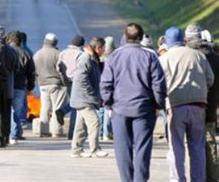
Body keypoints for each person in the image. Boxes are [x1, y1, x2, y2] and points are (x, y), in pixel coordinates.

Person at [101, 23, 166, 182]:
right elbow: (158, 84)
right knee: (143, 148)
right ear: (141, 37)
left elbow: (105, 84)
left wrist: (108, 104)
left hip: (120, 108)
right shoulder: (150, 56)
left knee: (122, 149)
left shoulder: (114, 56)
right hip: (144, 109)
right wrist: (158, 104)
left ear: (125, 36)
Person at [160, 26, 214, 182]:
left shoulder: (165, 58)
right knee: (197, 146)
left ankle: (178, 179)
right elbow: (210, 80)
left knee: (176, 147)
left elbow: (159, 83)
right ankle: (198, 179)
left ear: (167, 41)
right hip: (198, 105)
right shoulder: (198, 56)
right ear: (183, 39)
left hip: (176, 105)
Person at [185, 24, 219, 182]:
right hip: (210, 108)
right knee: (210, 144)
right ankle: (212, 178)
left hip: (191, 105)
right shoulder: (214, 57)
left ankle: (197, 178)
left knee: (193, 146)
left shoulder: (187, 56)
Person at [70, 37, 108, 158]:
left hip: (84, 98)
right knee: (94, 122)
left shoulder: (93, 58)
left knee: (81, 126)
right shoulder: (86, 58)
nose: (105, 50)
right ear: (98, 48)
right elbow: (81, 78)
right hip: (84, 98)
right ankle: (95, 149)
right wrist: (91, 93)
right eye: (104, 48)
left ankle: (76, 150)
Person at [34, 33, 69, 137]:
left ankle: (44, 130)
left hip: (43, 85)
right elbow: (62, 71)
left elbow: (34, 71)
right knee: (57, 108)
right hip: (56, 84)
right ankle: (57, 131)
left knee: (44, 108)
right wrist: (65, 83)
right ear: (55, 42)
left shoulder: (37, 54)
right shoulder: (58, 54)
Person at [7, 31, 35, 144]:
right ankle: (15, 134)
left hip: (7, 85)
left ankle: (12, 133)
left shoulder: (6, 52)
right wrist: (30, 86)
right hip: (19, 85)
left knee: (8, 110)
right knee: (17, 111)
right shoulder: (25, 53)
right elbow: (31, 72)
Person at [58, 34, 85, 139]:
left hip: (66, 81)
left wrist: (63, 78)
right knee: (76, 106)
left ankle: (63, 110)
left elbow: (58, 67)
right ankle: (72, 132)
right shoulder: (80, 54)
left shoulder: (63, 53)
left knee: (74, 103)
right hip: (77, 81)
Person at [99, 36, 115, 141]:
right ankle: (106, 133)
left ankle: (99, 133)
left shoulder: (100, 57)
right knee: (108, 109)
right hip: (110, 85)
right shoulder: (114, 57)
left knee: (101, 110)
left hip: (100, 85)